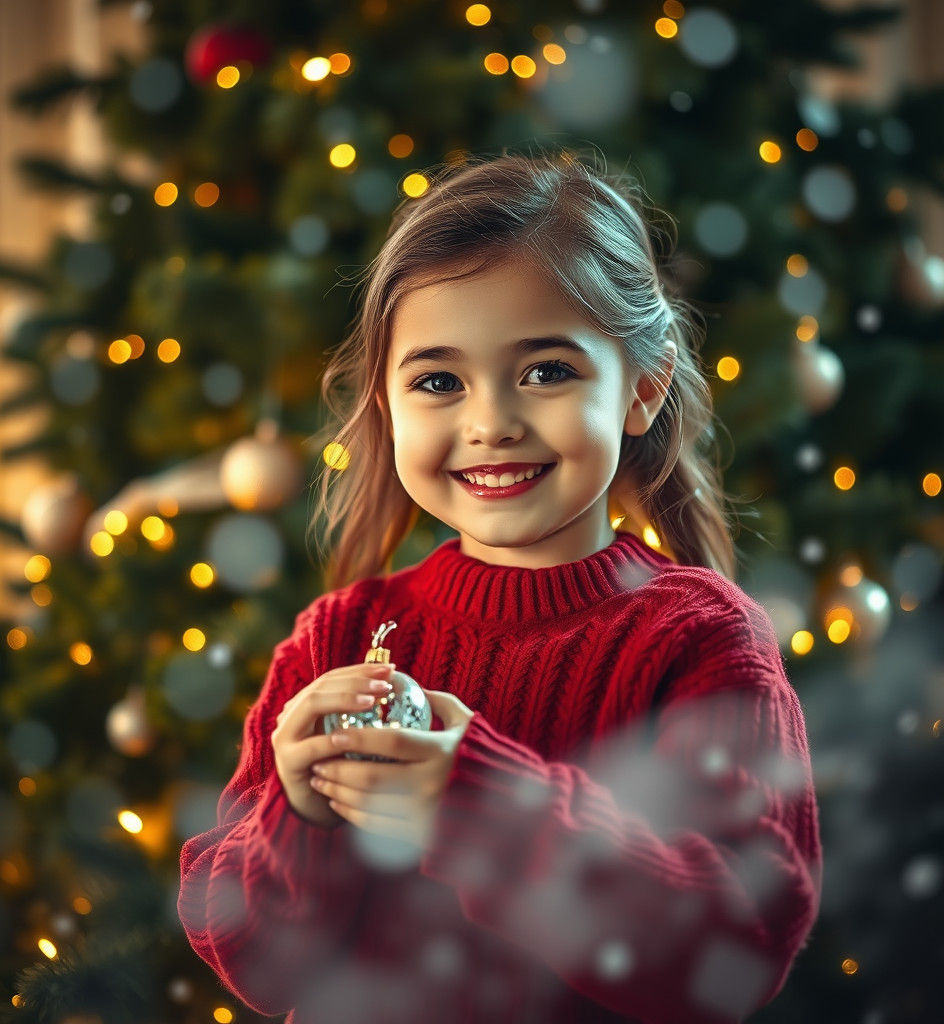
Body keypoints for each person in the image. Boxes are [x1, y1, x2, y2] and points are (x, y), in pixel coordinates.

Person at [177, 149, 822, 1024]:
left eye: (546, 371)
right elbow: (257, 962)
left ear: (644, 386)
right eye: (439, 381)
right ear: (386, 405)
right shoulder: (338, 637)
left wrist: (481, 807)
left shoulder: (700, 640)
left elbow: (739, 947)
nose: (490, 423)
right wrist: (296, 816)